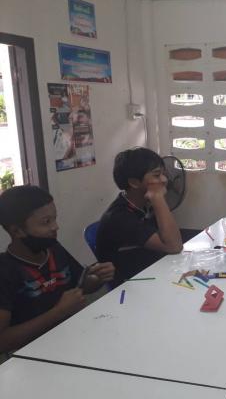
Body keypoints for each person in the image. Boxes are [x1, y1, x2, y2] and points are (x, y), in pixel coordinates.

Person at [0, 185, 114, 353]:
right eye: (46, 222)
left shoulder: (53, 248)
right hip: (35, 354)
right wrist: (58, 312)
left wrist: (97, 278)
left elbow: (80, 287)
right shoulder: (5, 270)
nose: (55, 227)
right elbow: (2, 342)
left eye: (54, 219)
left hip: (73, 336)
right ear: (17, 231)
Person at [96, 147, 183, 287]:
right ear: (134, 182)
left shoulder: (144, 204)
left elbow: (171, 238)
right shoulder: (120, 218)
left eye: (164, 174)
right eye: (157, 175)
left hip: (150, 269)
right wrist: (158, 198)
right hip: (130, 285)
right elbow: (174, 246)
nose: (165, 180)